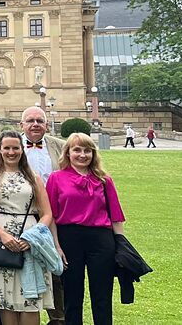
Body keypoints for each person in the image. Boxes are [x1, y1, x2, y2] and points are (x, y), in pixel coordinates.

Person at [47, 133, 126, 325]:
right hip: (69, 238)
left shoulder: (104, 179)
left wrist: (121, 245)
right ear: (68, 153)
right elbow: (52, 217)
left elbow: (115, 215)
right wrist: (56, 247)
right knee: (72, 294)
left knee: (102, 294)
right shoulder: (56, 178)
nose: (82, 155)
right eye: (77, 150)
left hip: (100, 239)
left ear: (93, 153)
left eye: (87, 150)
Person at [0, 131, 56, 325]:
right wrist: (3, 235)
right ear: (0, 150)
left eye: (15, 148)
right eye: (7, 148)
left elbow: (47, 214)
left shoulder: (33, 177)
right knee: (6, 302)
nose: (11, 152)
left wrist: (31, 238)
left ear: (22, 150)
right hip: (0, 244)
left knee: (30, 301)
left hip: (29, 243)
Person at [19, 106, 66, 324]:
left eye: (40, 120)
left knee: (56, 267)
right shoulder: (11, 146)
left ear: (46, 125)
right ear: (22, 125)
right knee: (24, 268)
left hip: (56, 217)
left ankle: (59, 318)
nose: (35, 124)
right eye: (30, 120)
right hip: (23, 218)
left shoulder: (60, 146)